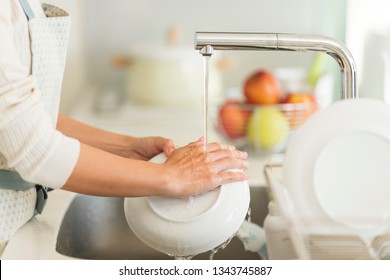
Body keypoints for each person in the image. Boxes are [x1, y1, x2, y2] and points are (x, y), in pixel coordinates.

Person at [0, 0, 249, 252]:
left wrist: (126, 148)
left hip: (19, 225)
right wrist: (170, 176)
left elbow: (32, 118)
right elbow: (36, 151)